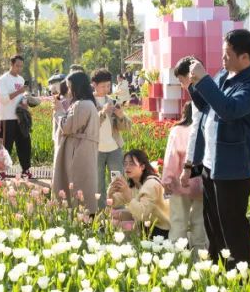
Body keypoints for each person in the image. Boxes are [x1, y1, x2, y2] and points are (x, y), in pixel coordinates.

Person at [182, 29, 250, 267]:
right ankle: (218, 267)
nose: (223, 58)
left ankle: (238, 274)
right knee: (213, 223)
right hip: (211, 163)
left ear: (245, 57)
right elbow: (206, 104)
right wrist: (194, 84)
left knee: (232, 225)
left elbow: (229, 110)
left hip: (233, 166)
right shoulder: (223, 75)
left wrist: (205, 81)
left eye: (228, 54)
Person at [161, 95, 207, 250]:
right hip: (201, 182)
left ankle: (176, 254)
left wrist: (167, 179)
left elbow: (171, 157)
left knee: (178, 221)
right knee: (199, 222)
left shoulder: (177, 130)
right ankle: (200, 254)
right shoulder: (205, 129)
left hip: (179, 182)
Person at [52, 71, 100, 214]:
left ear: (76, 86)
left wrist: (59, 111)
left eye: (69, 86)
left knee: (76, 184)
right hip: (84, 149)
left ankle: (79, 216)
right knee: (84, 184)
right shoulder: (88, 103)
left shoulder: (81, 105)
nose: (68, 90)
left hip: (77, 151)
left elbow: (67, 127)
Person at [109, 149, 171, 239]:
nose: (127, 167)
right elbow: (115, 201)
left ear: (142, 166)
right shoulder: (134, 184)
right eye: (125, 164)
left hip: (161, 229)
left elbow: (143, 214)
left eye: (132, 164)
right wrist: (111, 193)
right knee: (114, 216)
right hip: (146, 223)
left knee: (119, 222)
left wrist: (128, 197)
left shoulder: (151, 184)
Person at [92, 69, 132, 208]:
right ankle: (100, 213)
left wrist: (120, 116)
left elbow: (126, 127)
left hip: (114, 149)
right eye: (103, 86)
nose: (106, 89)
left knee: (117, 182)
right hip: (96, 149)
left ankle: (118, 211)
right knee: (98, 183)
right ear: (94, 85)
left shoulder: (113, 101)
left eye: (108, 85)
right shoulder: (89, 103)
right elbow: (90, 126)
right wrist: (103, 112)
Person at [0, 55, 32, 178]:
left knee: (24, 144)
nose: (19, 68)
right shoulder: (3, 79)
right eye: (17, 66)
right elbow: (2, 99)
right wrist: (19, 91)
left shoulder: (21, 79)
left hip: (20, 118)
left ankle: (26, 169)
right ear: (11, 64)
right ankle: (1, 171)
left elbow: (21, 96)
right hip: (7, 118)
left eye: (21, 66)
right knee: (6, 146)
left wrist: (25, 102)